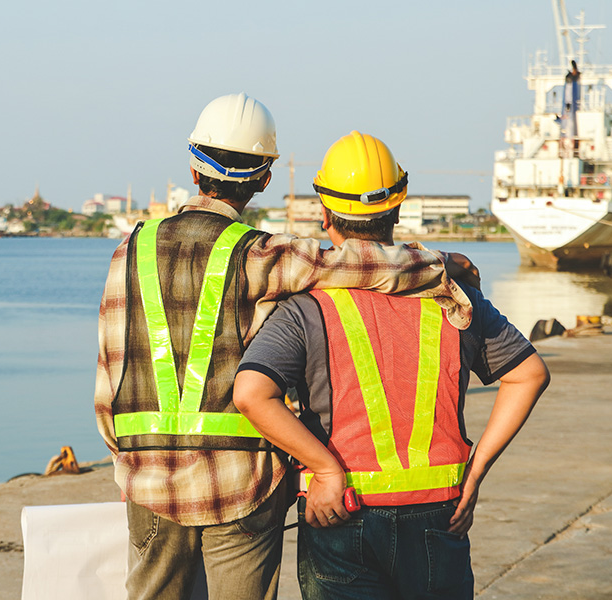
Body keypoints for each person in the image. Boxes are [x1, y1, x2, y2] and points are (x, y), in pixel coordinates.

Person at [94, 97, 478, 600]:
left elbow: (109, 376)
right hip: (243, 481)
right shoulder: (263, 253)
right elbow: (359, 266)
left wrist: (126, 460)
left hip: (149, 478)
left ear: (192, 166)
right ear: (265, 178)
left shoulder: (130, 249)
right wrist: (444, 265)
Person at [233, 131, 550, 600]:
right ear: (398, 210)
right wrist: (475, 470)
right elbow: (529, 374)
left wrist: (325, 470)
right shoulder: (452, 295)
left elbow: (251, 394)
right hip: (439, 510)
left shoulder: (306, 308)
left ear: (324, 214)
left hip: (341, 513)